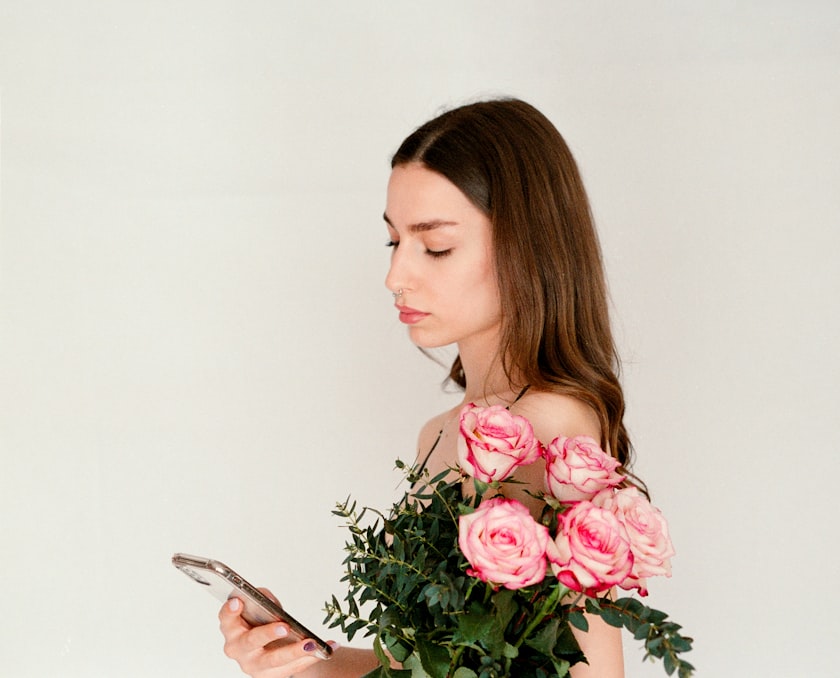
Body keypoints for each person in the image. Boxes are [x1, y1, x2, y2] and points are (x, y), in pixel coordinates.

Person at [219, 97, 641, 678]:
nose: (396, 276)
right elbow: (417, 668)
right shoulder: (438, 436)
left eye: (435, 246)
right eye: (394, 242)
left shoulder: (554, 431)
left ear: (527, 246)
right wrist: (299, 661)